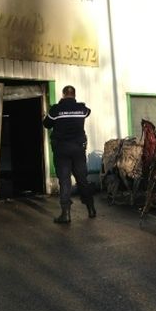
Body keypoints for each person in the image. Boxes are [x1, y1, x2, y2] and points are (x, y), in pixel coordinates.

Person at [43, 85, 96, 223]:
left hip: (62, 150)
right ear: (74, 94)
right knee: (82, 179)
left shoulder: (56, 110)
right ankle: (91, 209)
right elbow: (88, 111)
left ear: (63, 94)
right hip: (78, 149)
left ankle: (66, 214)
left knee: (65, 181)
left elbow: (46, 124)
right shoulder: (81, 109)